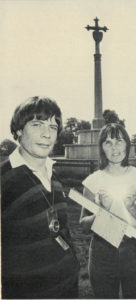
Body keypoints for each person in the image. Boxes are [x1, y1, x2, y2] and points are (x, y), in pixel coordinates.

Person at [1, 96, 79, 299]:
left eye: (53, 127)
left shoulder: (54, 174)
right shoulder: (3, 179)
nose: (47, 134)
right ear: (18, 130)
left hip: (67, 288)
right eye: (37, 124)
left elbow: (62, 232)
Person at [80, 123, 136, 299]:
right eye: (108, 142)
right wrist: (102, 210)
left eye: (119, 141)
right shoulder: (92, 181)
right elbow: (83, 225)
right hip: (102, 251)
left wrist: (131, 206)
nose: (114, 148)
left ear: (127, 144)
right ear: (101, 148)